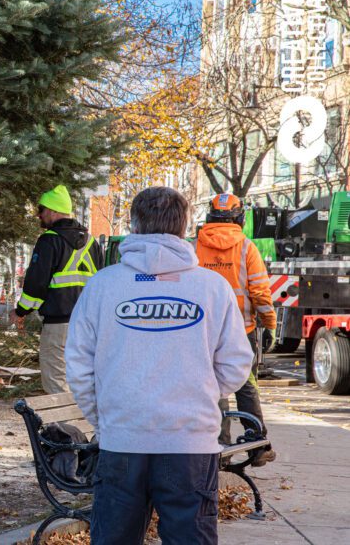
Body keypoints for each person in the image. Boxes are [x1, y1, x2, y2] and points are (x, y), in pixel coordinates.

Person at [65, 187, 253, 545]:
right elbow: (236, 363)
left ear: (133, 225)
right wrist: (198, 396)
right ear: (184, 227)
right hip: (189, 443)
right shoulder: (212, 288)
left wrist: (105, 417)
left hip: (123, 440)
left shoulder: (103, 287)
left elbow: (78, 365)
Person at [196, 193, 278, 466]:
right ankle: (258, 447)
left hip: (203, 332)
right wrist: (269, 325)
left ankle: (217, 448)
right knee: (246, 386)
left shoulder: (195, 246)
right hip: (241, 331)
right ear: (239, 217)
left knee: (212, 388)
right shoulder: (246, 248)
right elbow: (260, 292)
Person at [15, 185, 103, 393]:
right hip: (88, 325)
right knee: (82, 380)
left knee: (56, 380)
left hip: (59, 323)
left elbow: (36, 284)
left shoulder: (49, 240)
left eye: (42, 210)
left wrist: (21, 311)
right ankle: (84, 424)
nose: (40, 215)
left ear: (53, 211)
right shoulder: (92, 243)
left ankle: (64, 426)